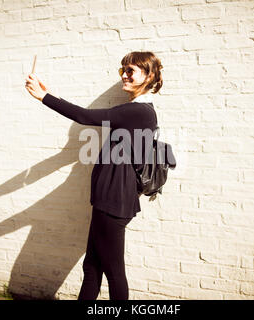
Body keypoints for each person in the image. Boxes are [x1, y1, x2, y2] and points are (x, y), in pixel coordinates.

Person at [25, 51, 163, 300]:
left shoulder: (139, 112)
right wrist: (50, 94)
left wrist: (43, 97)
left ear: (149, 75)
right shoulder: (134, 111)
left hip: (113, 203)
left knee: (113, 272)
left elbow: (85, 116)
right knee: (92, 267)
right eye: (123, 70)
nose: (125, 76)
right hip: (108, 201)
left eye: (131, 71)